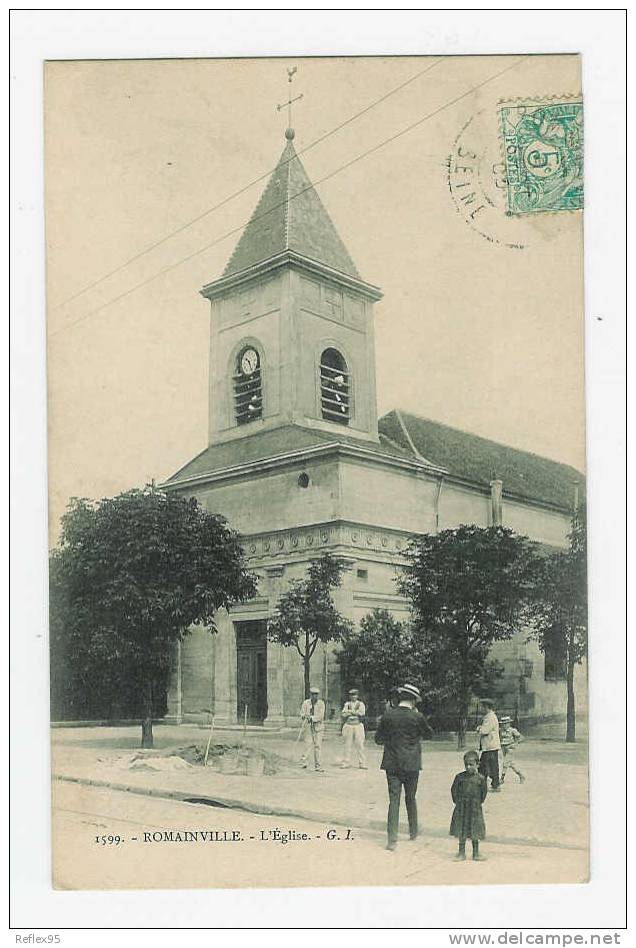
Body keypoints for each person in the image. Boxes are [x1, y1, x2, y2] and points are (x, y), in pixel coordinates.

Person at [374, 683, 429, 851]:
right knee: (411, 797)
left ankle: (392, 840)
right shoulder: (417, 716)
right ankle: (413, 832)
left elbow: (378, 739)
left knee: (394, 800)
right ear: (413, 700)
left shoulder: (388, 715)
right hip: (412, 763)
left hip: (392, 763)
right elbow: (429, 734)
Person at [450, 750, 488, 861]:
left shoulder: (481, 779)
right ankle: (461, 853)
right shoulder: (459, 777)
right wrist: (458, 802)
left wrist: (477, 802)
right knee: (461, 830)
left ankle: (476, 853)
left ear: (477, 764)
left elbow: (483, 794)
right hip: (461, 808)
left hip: (475, 808)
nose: (468, 767)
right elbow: (454, 791)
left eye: (471, 765)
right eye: (466, 764)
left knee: (475, 829)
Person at [477, 698, 501, 791]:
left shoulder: (490, 717)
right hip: (489, 746)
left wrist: (479, 728)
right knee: (486, 765)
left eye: (482, 707)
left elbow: (485, 730)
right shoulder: (489, 716)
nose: (481, 709)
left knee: (489, 766)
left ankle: (494, 785)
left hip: (490, 746)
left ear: (486, 707)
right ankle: (485, 784)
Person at [299, 686, 325, 772]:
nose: (315, 696)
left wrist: (312, 718)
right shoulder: (306, 703)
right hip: (309, 726)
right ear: (310, 695)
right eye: (313, 694)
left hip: (318, 727)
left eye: (316, 695)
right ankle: (304, 763)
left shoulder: (321, 703)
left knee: (318, 746)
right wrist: (304, 716)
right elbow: (302, 713)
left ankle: (318, 765)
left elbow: (321, 716)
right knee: (307, 744)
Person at [340, 688, 367, 769]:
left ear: (357, 696)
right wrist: (354, 712)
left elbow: (362, 713)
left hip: (358, 725)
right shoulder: (347, 704)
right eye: (351, 695)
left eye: (354, 695)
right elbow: (344, 714)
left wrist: (351, 712)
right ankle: (346, 762)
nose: (353, 697)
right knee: (347, 745)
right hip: (349, 725)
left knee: (360, 744)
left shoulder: (360, 704)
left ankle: (362, 763)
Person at [499, 715, 526, 784]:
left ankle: (501, 779)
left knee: (505, 763)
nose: (504, 725)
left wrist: (514, 744)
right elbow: (500, 739)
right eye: (503, 724)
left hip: (510, 748)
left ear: (509, 723)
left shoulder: (512, 730)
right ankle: (521, 775)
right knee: (510, 764)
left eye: (506, 723)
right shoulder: (501, 730)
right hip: (503, 748)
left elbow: (522, 738)